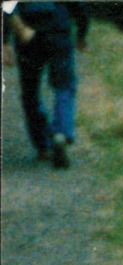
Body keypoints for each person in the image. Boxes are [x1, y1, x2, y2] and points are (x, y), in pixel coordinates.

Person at [2, 0, 87, 169]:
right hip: (58, 31)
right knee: (64, 86)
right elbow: (79, 6)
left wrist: (5, 42)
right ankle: (61, 132)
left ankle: (43, 144)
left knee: (30, 91)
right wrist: (81, 35)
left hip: (27, 34)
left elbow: (6, 8)